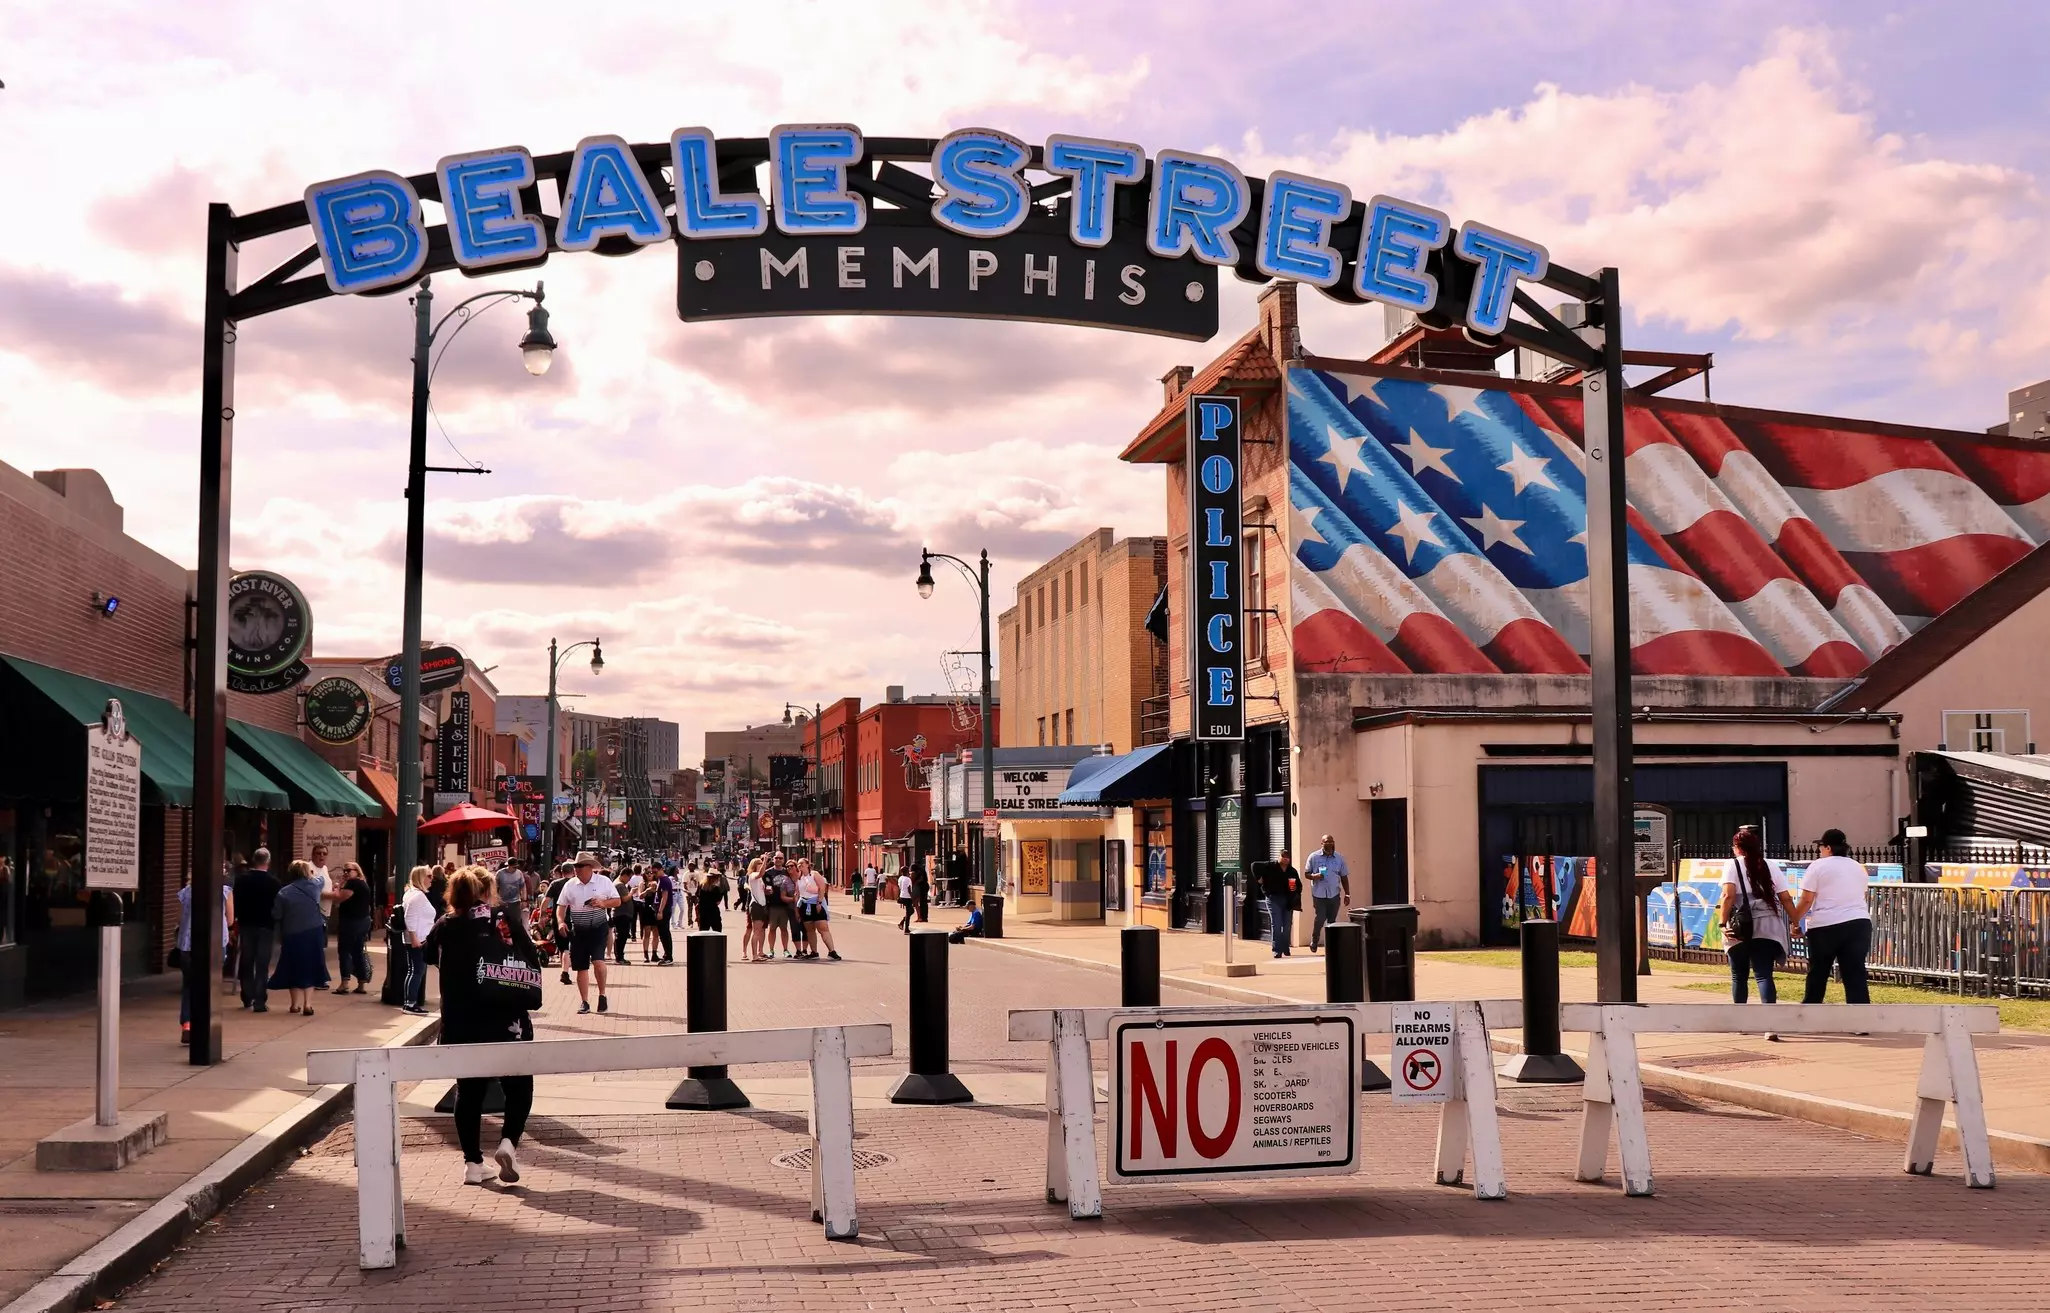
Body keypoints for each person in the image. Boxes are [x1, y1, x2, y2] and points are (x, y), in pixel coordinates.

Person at [426, 868, 538, 1186]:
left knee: (468, 1091)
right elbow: (529, 953)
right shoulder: (501, 918)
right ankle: (507, 1143)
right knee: (518, 1085)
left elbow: (427, 954)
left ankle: (473, 1164)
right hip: (506, 1019)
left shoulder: (445, 925)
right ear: (486, 891)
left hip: (461, 1021)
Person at [1720, 826, 1800, 1037]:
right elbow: (1785, 898)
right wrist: (1795, 922)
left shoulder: (1732, 865)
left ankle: (1742, 1024)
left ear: (1737, 848)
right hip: (1767, 925)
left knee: (1739, 976)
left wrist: (1722, 924)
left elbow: (1728, 896)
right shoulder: (1770, 866)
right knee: (1764, 975)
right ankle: (1770, 1027)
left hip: (1740, 927)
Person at [1795, 828, 1873, 1006]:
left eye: (1821, 846)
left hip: (1825, 925)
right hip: (1858, 923)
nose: (1819, 850)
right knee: (1855, 972)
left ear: (1828, 847)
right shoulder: (1857, 867)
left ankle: (1810, 1012)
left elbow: (1807, 899)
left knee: (1818, 972)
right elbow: (1862, 895)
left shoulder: (1818, 866)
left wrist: (1794, 920)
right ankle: (1861, 1019)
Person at [556, 854, 620, 1014]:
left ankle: (602, 995)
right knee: (581, 967)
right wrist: (560, 922)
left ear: (590, 867)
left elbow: (617, 901)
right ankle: (584, 1001)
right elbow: (561, 906)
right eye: (575, 867)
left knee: (598, 962)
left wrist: (602, 903)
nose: (576, 870)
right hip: (578, 930)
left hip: (598, 927)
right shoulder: (570, 885)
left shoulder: (603, 882)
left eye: (580, 867)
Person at [268, 860, 332, 1014]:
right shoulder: (315, 886)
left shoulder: (284, 892)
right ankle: (308, 1004)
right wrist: (312, 872)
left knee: (293, 966)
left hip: (292, 933)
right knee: (310, 966)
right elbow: (322, 877)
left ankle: (294, 1004)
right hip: (313, 932)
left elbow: (276, 914)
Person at [175, 868, 231, 1044]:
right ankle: (205, 1024)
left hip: (187, 944)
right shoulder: (224, 891)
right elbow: (229, 920)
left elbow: (179, 918)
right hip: (215, 942)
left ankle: (188, 1024)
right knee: (210, 984)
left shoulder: (185, 893)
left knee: (189, 985)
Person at [232, 847, 279, 1012]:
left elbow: (235, 903)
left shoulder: (241, 880)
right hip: (266, 926)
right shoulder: (274, 883)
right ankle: (259, 1000)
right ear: (268, 862)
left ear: (253, 860)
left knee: (247, 960)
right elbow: (277, 907)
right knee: (262, 963)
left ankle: (247, 996)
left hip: (246, 925)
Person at [332, 861, 373, 995]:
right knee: (357, 950)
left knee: (344, 950)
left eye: (349, 870)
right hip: (363, 921)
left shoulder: (353, 883)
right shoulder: (363, 883)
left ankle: (345, 983)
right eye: (344, 870)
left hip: (351, 922)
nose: (345, 873)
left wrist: (338, 887)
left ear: (357, 871)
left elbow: (338, 898)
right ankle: (361, 983)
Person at [1305, 835, 1350, 953]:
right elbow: (1307, 873)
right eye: (1326, 842)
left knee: (1332, 921)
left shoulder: (1339, 858)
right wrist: (1314, 876)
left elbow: (1344, 876)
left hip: (1334, 894)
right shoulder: (1314, 857)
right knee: (1320, 918)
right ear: (1322, 844)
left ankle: (1331, 946)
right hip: (1319, 894)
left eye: (1331, 842)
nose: (1329, 844)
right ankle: (1314, 941)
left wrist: (1347, 894)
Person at [400, 865, 436, 1014]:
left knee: (413, 970)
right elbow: (409, 918)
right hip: (418, 939)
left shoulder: (412, 893)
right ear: (421, 877)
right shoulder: (417, 896)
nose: (431, 879)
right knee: (417, 971)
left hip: (417, 938)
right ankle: (410, 1003)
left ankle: (409, 1002)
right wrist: (415, 939)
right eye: (428, 876)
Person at [795, 859, 842, 961]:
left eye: (802, 863)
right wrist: (797, 909)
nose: (800, 866)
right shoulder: (799, 878)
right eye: (798, 864)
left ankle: (832, 951)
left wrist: (819, 902)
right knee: (810, 930)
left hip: (816, 903)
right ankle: (814, 952)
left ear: (807, 864)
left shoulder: (814, 874)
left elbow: (822, 887)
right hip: (805, 905)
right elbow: (798, 894)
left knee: (823, 928)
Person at [1258, 856, 1296, 958]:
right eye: (1283, 856)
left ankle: (1285, 948)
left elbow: (1298, 885)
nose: (1286, 859)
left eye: (1288, 857)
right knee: (1277, 924)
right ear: (1279, 857)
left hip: (1288, 900)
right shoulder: (1271, 866)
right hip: (1273, 899)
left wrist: (1295, 890)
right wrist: (1258, 878)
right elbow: (1254, 865)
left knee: (1287, 925)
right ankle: (1277, 950)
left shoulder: (1292, 871)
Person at [742, 857, 770, 962]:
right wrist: (766, 860)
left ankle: (758, 953)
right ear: (754, 865)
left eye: (761, 863)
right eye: (759, 863)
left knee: (760, 930)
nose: (761, 864)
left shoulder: (759, 879)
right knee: (756, 931)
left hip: (762, 904)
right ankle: (754, 955)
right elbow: (761, 873)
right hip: (756, 905)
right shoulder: (753, 875)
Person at [696, 864, 726, 934]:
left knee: (703, 933)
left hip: (703, 911)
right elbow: (718, 902)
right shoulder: (716, 888)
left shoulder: (701, 886)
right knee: (717, 932)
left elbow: (698, 897)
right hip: (713, 912)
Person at [895, 868, 916, 933]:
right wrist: (912, 897)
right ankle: (906, 928)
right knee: (909, 912)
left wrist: (898, 896)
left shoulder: (900, 878)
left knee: (910, 911)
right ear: (907, 871)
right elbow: (909, 889)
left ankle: (902, 923)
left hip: (902, 896)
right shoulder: (908, 879)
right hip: (907, 897)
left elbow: (899, 888)